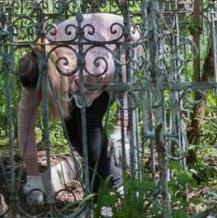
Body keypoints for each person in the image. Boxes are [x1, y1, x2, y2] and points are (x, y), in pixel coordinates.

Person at [17, 12, 137, 205]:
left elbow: (127, 85)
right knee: (73, 132)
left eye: (43, 96)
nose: (39, 100)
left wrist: (120, 129)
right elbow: (25, 126)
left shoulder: (96, 66)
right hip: (79, 68)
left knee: (89, 128)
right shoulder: (33, 71)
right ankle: (105, 184)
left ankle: (111, 194)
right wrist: (33, 177)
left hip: (117, 43)